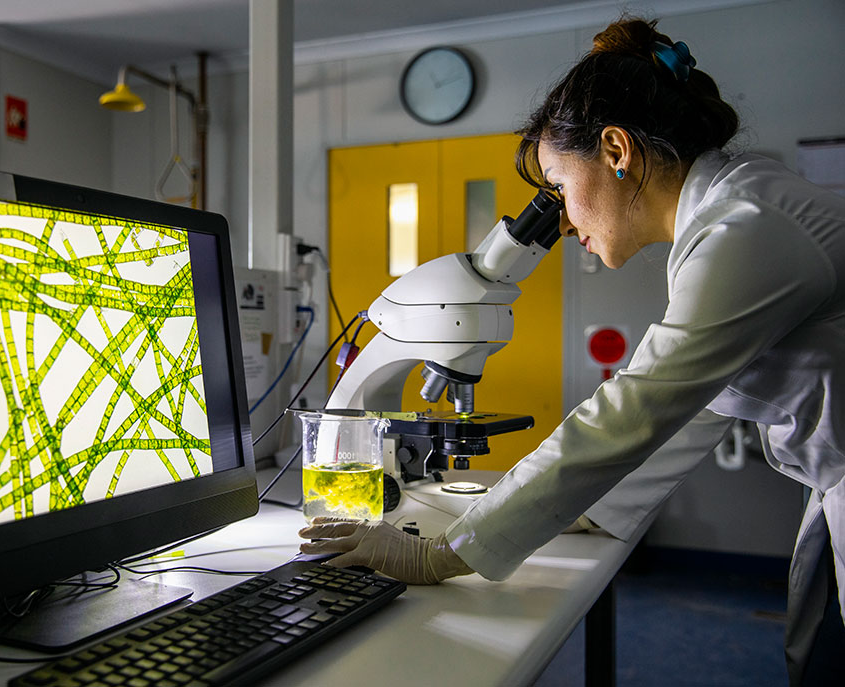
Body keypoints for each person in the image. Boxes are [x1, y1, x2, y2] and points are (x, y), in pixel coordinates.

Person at [299, 17, 845, 685]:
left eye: (560, 186)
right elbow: (693, 409)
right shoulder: (730, 214)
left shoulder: (747, 230)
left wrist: (440, 554)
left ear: (616, 149)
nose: (562, 218)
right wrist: (582, 507)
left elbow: (632, 411)